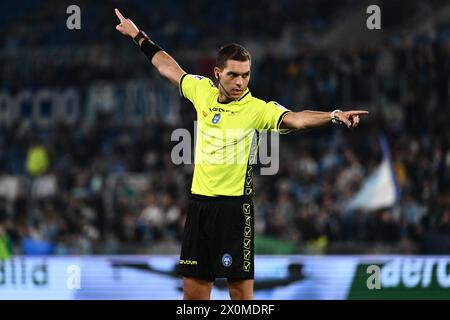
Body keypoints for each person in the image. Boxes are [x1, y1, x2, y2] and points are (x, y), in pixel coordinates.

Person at [114, 8, 368, 300]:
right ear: (218, 73)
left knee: (241, 298)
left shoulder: (257, 109)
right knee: (193, 299)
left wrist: (334, 115)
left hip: (235, 212)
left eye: (246, 75)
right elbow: (169, 68)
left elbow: (297, 119)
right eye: (233, 75)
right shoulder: (202, 92)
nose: (240, 82)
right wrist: (137, 36)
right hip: (199, 208)